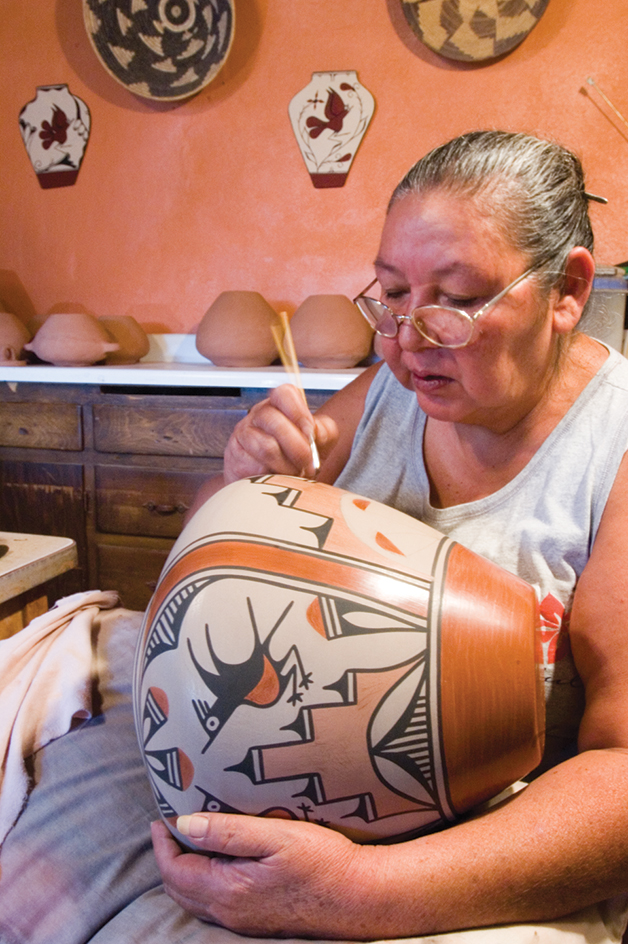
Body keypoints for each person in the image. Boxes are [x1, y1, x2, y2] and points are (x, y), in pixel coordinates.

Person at [1, 130, 628, 944]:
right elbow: (208, 557)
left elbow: (620, 770)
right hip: (275, 768)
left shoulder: (609, 446)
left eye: (455, 299)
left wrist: (361, 891)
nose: (406, 338)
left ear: (567, 290)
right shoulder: (386, 393)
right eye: (392, 293)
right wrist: (238, 475)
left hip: (469, 841)